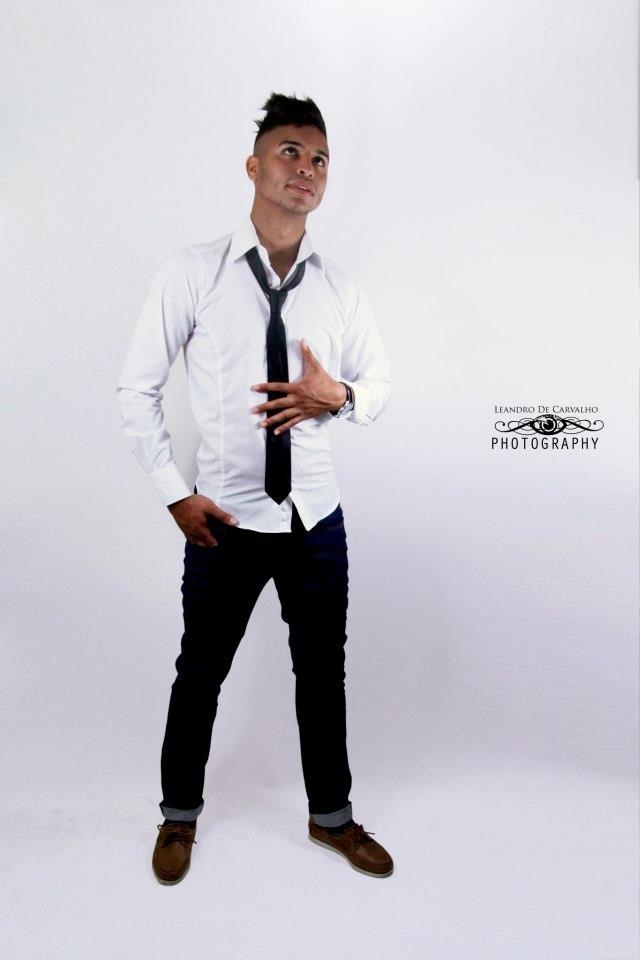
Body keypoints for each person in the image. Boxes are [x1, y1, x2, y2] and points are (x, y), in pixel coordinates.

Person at [116, 92, 393, 884]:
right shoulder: (193, 272)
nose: (306, 169)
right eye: (290, 152)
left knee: (323, 673)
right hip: (224, 518)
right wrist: (175, 492)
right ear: (253, 165)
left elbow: (378, 386)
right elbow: (136, 387)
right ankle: (178, 817)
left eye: (320, 159)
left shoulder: (339, 288)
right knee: (200, 673)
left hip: (316, 519)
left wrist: (338, 395)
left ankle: (331, 818)